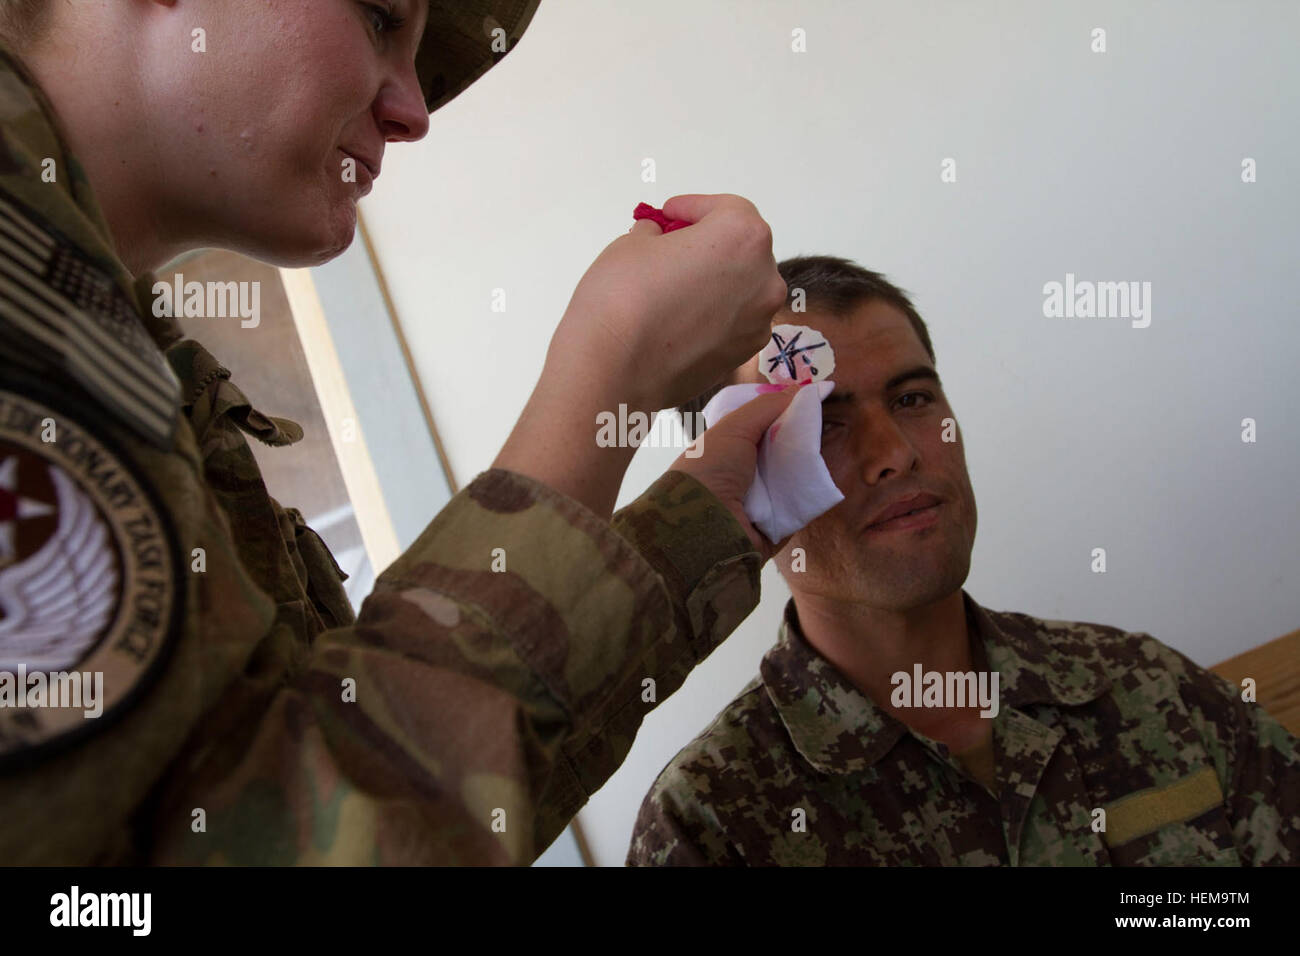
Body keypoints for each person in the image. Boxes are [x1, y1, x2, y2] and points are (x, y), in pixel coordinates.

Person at [0, 0, 801, 864]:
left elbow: (369, 794)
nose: (414, 114)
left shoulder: (133, 364)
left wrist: (713, 512)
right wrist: (608, 377)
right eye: (382, 16)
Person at [627, 255, 1300, 866]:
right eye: (823, 420)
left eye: (912, 399)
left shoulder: (1146, 688)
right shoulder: (713, 824)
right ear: (740, 470)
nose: (896, 452)